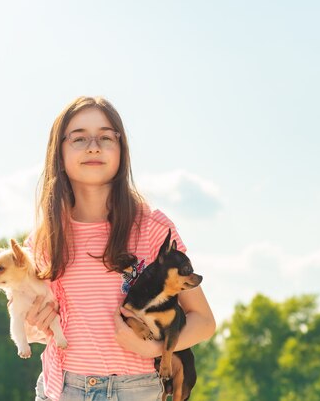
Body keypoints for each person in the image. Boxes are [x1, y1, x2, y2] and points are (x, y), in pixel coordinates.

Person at [23, 96, 215, 401]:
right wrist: (35, 323)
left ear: (121, 150)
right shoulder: (45, 239)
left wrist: (154, 349)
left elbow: (204, 321)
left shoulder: (153, 227)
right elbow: (35, 332)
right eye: (79, 138)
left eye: (106, 137)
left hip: (136, 389)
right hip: (61, 389)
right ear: (58, 153)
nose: (93, 146)